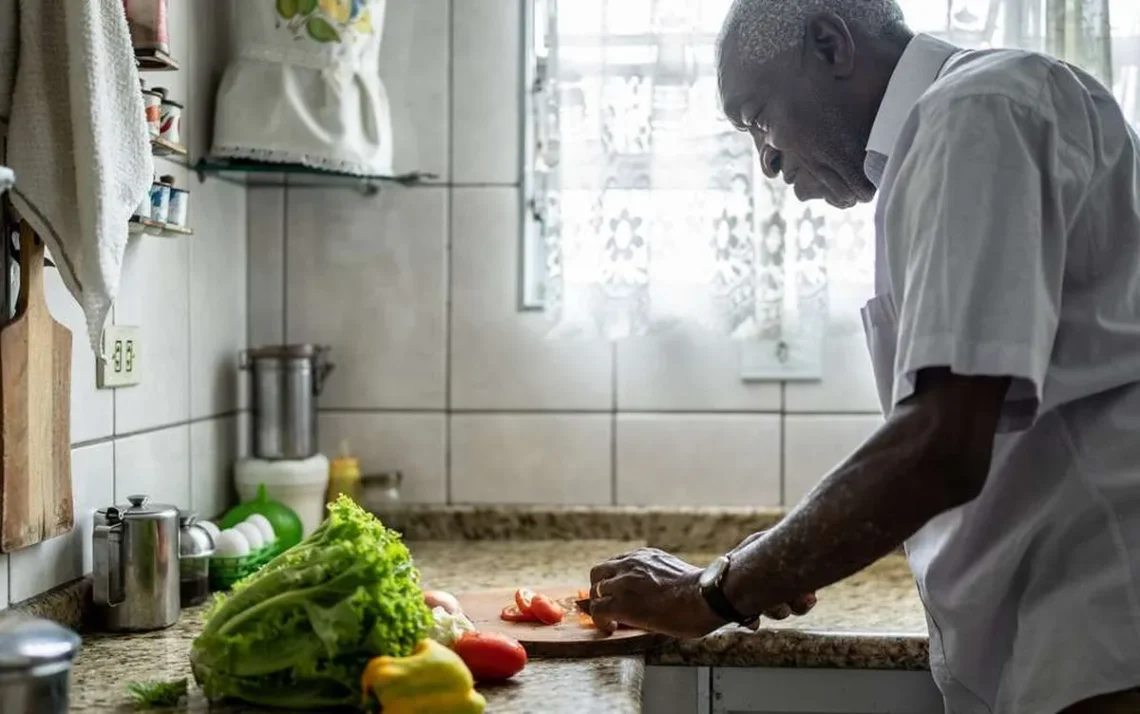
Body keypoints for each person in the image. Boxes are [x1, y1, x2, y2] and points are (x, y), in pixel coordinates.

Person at [586, 1, 1140, 712]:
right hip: (1071, 634)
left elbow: (941, 445)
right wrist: (792, 552)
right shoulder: (947, 136)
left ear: (829, 43)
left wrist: (716, 590)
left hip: (1102, 633)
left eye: (759, 118)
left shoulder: (976, 112)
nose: (767, 160)